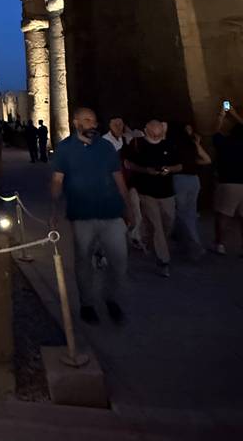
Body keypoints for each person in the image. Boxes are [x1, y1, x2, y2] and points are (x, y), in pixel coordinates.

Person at [50, 107, 133, 325]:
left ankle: (111, 298)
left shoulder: (105, 147)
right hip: (82, 214)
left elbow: (119, 179)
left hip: (111, 213)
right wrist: (55, 210)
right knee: (83, 261)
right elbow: (57, 181)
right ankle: (87, 304)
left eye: (94, 121)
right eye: (87, 120)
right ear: (76, 122)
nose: (93, 125)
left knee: (119, 261)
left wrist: (128, 208)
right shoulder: (65, 149)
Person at [124, 120, 182, 277]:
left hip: (167, 192)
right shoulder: (137, 144)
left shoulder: (168, 145)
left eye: (159, 134)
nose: (156, 137)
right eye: (153, 134)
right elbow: (128, 164)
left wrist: (169, 169)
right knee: (157, 226)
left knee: (169, 222)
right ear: (146, 131)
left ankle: (148, 240)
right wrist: (146, 170)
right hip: (146, 192)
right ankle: (164, 260)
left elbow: (180, 165)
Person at [168, 123, 210, 261]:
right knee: (190, 213)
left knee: (182, 213)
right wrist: (197, 144)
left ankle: (193, 245)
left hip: (179, 179)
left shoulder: (172, 145)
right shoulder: (191, 145)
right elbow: (206, 160)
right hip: (194, 180)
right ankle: (188, 244)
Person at [103, 117, 143, 250]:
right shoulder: (104, 141)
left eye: (121, 124)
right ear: (110, 125)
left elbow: (141, 135)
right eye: (115, 124)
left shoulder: (127, 138)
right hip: (113, 184)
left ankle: (134, 236)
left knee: (135, 209)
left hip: (129, 182)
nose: (118, 127)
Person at [212, 104, 243, 254]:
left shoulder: (224, 143)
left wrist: (221, 116)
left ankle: (220, 244)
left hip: (228, 183)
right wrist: (235, 114)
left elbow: (215, 132)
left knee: (223, 216)